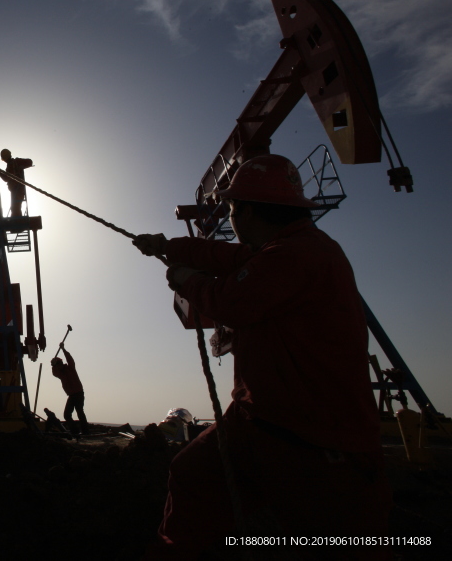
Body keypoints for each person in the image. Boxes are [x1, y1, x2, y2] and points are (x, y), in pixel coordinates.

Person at [132, 154, 390, 559]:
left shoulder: (295, 256)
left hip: (315, 438)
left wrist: (185, 279)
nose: (230, 219)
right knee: (192, 473)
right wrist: (166, 246)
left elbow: (231, 301)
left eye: (231, 209)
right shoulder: (284, 248)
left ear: (247, 212)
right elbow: (225, 258)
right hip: (263, 418)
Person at [50, 343, 88, 436]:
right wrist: (53, 364)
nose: (57, 368)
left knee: (80, 412)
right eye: (56, 366)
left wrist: (63, 349)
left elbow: (70, 359)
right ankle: (75, 431)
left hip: (78, 393)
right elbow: (54, 373)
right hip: (72, 395)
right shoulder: (60, 374)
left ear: (61, 364)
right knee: (67, 414)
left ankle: (85, 432)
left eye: (58, 365)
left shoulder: (70, 368)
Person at [0, 148, 33, 217]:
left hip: (18, 189)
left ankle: (17, 222)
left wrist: (20, 166)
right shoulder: (10, 166)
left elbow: (30, 162)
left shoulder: (16, 162)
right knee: (14, 208)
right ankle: (16, 221)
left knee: (15, 208)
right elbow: (6, 178)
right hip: (15, 189)